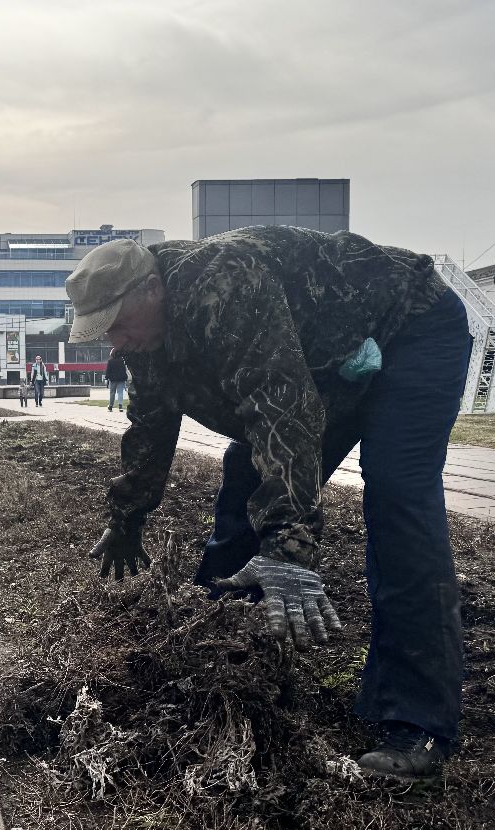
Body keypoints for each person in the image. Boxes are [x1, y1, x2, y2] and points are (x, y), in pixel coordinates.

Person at [66, 228, 471, 780]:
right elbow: (151, 426)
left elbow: (282, 409)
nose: (112, 341)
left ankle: (419, 721)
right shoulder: (149, 340)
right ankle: (216, 662)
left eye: (115, 323)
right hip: (336, 360)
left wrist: (287, 546)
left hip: (410, 327)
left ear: (152, 290)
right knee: (243, 481)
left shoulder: (223, 284)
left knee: (398, 497)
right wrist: (127, 518)